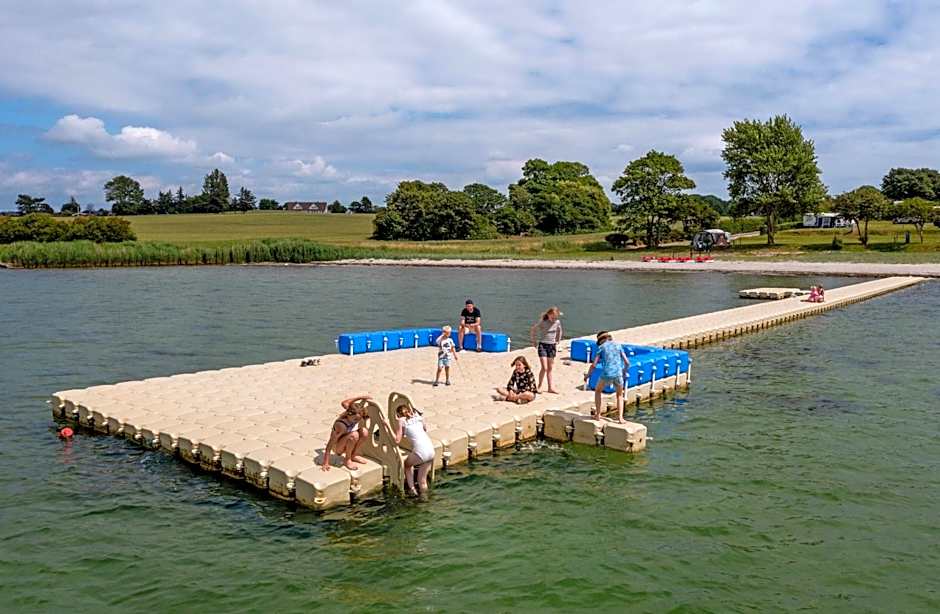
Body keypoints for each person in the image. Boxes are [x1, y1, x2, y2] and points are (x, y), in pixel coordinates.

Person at [390, 403, 435, 496]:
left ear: (398, 415)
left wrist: (387, 425)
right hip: (431, 450)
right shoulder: (418, 417)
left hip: (421, 452)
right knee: (422, 481)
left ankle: (412, 490)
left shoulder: (401, 421)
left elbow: (397, 440)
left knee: (407, 465)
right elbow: (425, 429)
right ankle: (425, 499)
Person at [584, 331, 629, 423]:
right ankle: (620, 418)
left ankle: (598, 415)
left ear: (602, 340)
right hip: (618, 373)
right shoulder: (618, 345)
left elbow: (594, 365)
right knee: (620, 395)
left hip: (606, 374)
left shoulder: (601, 348)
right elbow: (627, 362)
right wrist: (624, 372)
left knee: (598, 391)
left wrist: (588, 375)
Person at [321, 395, 372, 471]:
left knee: (364, 432)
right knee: (354, 435)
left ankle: (353, 455)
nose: (357, 421)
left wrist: (361, 397)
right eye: (355, 419)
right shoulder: (341, 425)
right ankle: (347, 460)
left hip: (348, 440)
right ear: (348, 414)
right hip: (338, 447)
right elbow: (330, 443)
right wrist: (326, 462)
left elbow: (345, 402)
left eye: (359, 419)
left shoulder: (352, 411)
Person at [530, 306, 563, 393]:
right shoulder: (543, 322)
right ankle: (539, 386)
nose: (554, 319)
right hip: (543, 345)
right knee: (544, 367)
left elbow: (560, 331)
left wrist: (558, 340)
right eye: (552, 317)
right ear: (548, 315)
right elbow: (533, 329)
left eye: (555, 317)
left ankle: (550, 388)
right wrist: (533, 341)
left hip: (552, 346)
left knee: (550, 368)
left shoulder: (557, 322)